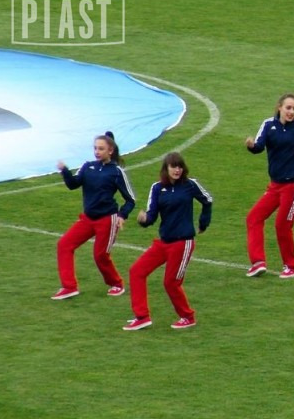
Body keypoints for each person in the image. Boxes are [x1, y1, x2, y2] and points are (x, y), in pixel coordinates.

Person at [124, 153, 212, 331]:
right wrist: (144, 220)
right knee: (136, 271)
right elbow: (152, 215)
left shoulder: (190, 185)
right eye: (173, 166)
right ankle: (142, 317)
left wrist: (203, 223)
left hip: (182, 243)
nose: (177, 170)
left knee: (171, 283)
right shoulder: (157, 188)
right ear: (166, 168)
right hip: (163, 243)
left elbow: (207, 200)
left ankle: (188, 317)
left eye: (180, 166)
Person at [244, 93, 294, 278]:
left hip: (293, 187)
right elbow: (259, 147)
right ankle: (258, 263)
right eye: (288, 108)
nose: (291, 112)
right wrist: (251, 146)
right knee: (253, 218)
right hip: (275, 186)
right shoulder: (268, 125)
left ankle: (290, 266)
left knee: (282, 225)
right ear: (279, 107)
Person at [52, 132, 136, 300]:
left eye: (101, 149)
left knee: (100, 255)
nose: (97, 152)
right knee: (64, 245)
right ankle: (69, 287)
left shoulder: (116, 172)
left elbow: (130, 200)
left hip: (107, 220)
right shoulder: (87, 167)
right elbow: (73, 184)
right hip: (88, 219)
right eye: (95, 148)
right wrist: (65, 171)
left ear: (110, 151)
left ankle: (117, 284)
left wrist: (122, 215)